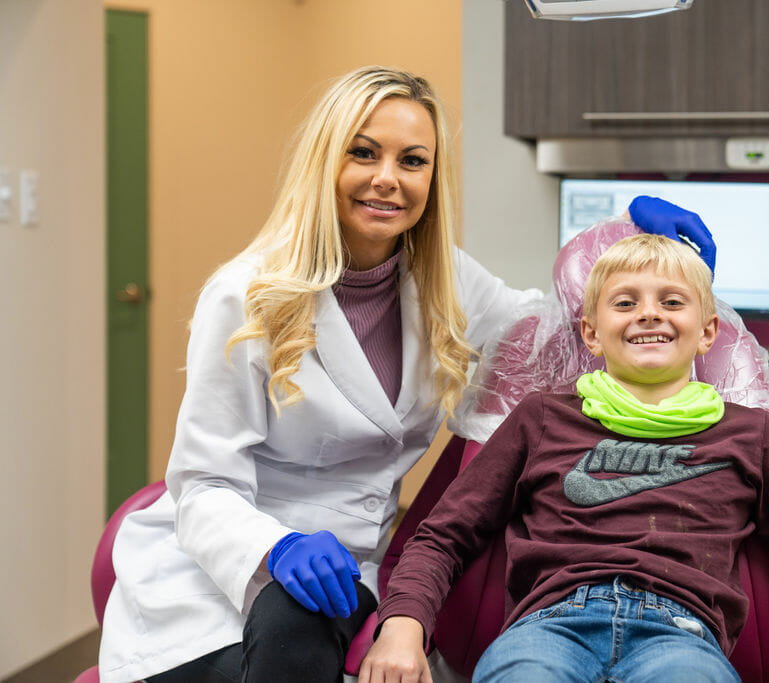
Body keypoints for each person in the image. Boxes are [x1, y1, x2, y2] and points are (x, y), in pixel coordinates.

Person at [97, 66, 708, 683]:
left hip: (349, 564)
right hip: (228, 558)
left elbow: (548, 333)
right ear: (324, 162)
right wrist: (276, 548)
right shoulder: (244, 295)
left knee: (298, 632)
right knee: (285, 640)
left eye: (412, 161)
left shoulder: (443, 280)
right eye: (363, 153)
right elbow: (202, 486)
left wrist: (624, 242)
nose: (387, 179)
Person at [361, 233, 769, 683]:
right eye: (625, 302)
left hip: (682, 637)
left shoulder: (752, 434)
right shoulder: (540, 418)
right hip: (548, 628)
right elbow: (441, 538)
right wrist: (403, 624)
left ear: (708, 332)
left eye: (672, 301)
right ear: (592, 334)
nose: (649, 314)